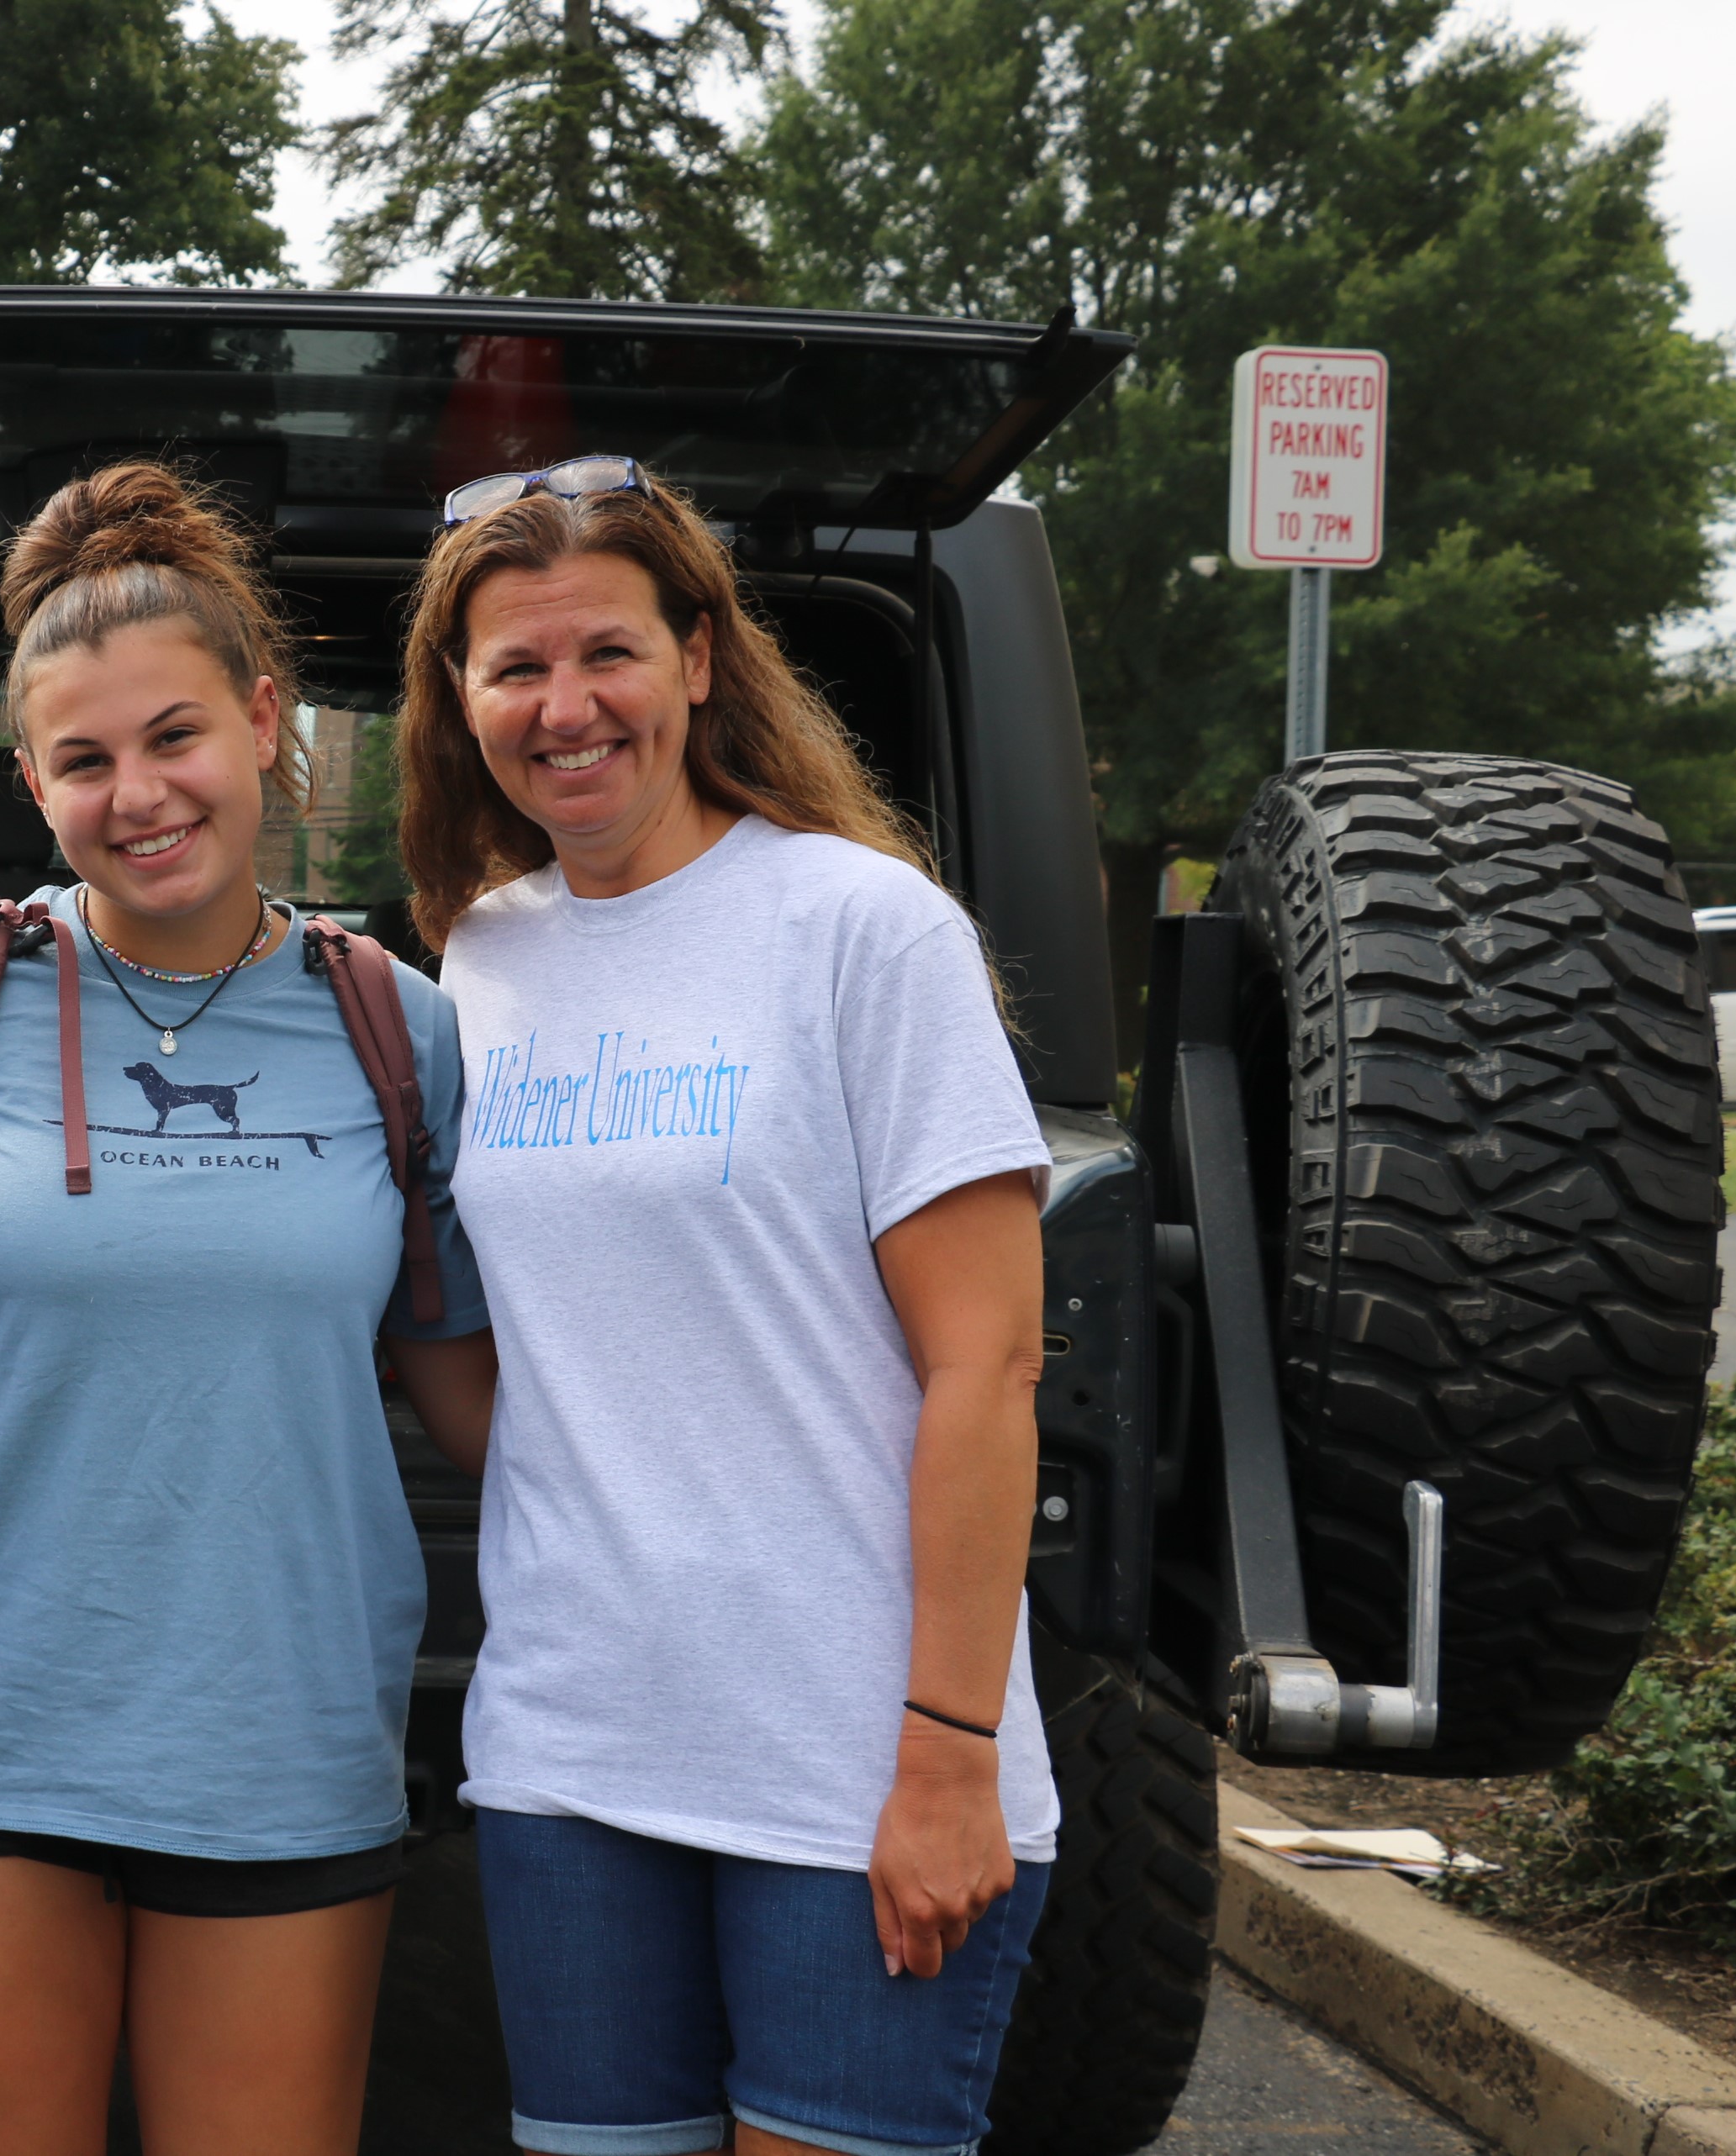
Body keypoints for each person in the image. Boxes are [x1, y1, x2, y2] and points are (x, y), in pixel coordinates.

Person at [0, 463, 496, 2156]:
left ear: (267, 724)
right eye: (83, 759)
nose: (137, 792)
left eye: (174, 736)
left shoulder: (403, 1028)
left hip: (281, 1731)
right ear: (30, 776)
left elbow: (479, 1388)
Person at [397, 457, 1058, 2156]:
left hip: (846, 1757)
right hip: (571, 1748)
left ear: (699, 656)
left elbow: (986, 1362)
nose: (565, 705)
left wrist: (946, 1754)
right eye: (514, 667)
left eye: (605, 651)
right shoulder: (477, 962)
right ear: (459, 702)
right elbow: (513, 1373)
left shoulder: (860, 929)